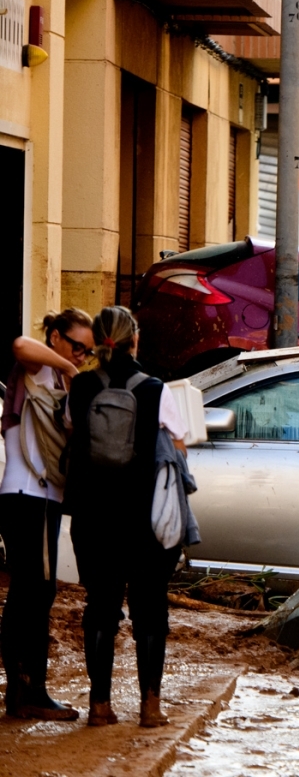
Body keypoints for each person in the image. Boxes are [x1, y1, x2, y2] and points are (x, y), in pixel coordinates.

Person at [65, 306, 188, 728]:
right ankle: (150, 707)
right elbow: (178, 447)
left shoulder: (80, 387)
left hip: (93, 518)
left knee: (100, 607)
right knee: (150, 609)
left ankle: (99, 707)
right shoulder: (155, 389)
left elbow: (72, 435)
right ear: (135, 339)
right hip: (142, 519)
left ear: (99, 341)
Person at [1, 309, 93, 721]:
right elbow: (20, 344)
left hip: (43, 498)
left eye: (87, 352)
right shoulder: (37, 368)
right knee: (32, 594)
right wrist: (70, 365)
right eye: (76, 345)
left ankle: (25, 691)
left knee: (35, 592)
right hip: (29, 496)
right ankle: (28, 693)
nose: (81, 356)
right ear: (55, 336)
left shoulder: (57, 379)